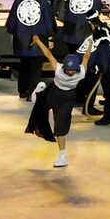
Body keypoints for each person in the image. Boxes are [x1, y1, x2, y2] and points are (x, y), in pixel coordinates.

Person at [25, 34, 86, 169]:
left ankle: (62, 156)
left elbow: (86, 57)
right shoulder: (58, 69)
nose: (70, 72)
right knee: (40, 108)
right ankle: (38, 96)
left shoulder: (81, 72)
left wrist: (91, 46)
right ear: (64, 67)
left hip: (68, 98)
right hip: (53, 92)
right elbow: (48, 54)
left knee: (60, 127)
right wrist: (38, 41)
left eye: (72, 70)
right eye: (68, 69)